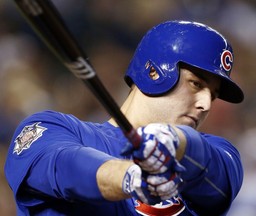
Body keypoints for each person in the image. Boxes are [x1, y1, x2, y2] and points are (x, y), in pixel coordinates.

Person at [5, 20, 244, 216]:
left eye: (213, 95)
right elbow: (62, 165)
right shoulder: (53, 128)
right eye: (196, 83)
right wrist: (131, 177)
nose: (205, 104)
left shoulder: (222, 153)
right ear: (154, 71)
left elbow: (214, 173)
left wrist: (174, 142)